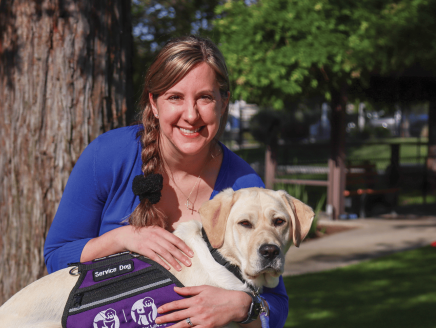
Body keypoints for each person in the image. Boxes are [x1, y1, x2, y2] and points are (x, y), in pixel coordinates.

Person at [44, 35, 288, 328]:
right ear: (154, 103)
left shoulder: (243, 185)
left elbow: (276, 302)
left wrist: (244, 306)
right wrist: (123, 238)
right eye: (175, 97)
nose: (190, 114)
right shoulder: (108, 155)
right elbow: (56, 259)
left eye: (205, 97)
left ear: (224, 102)